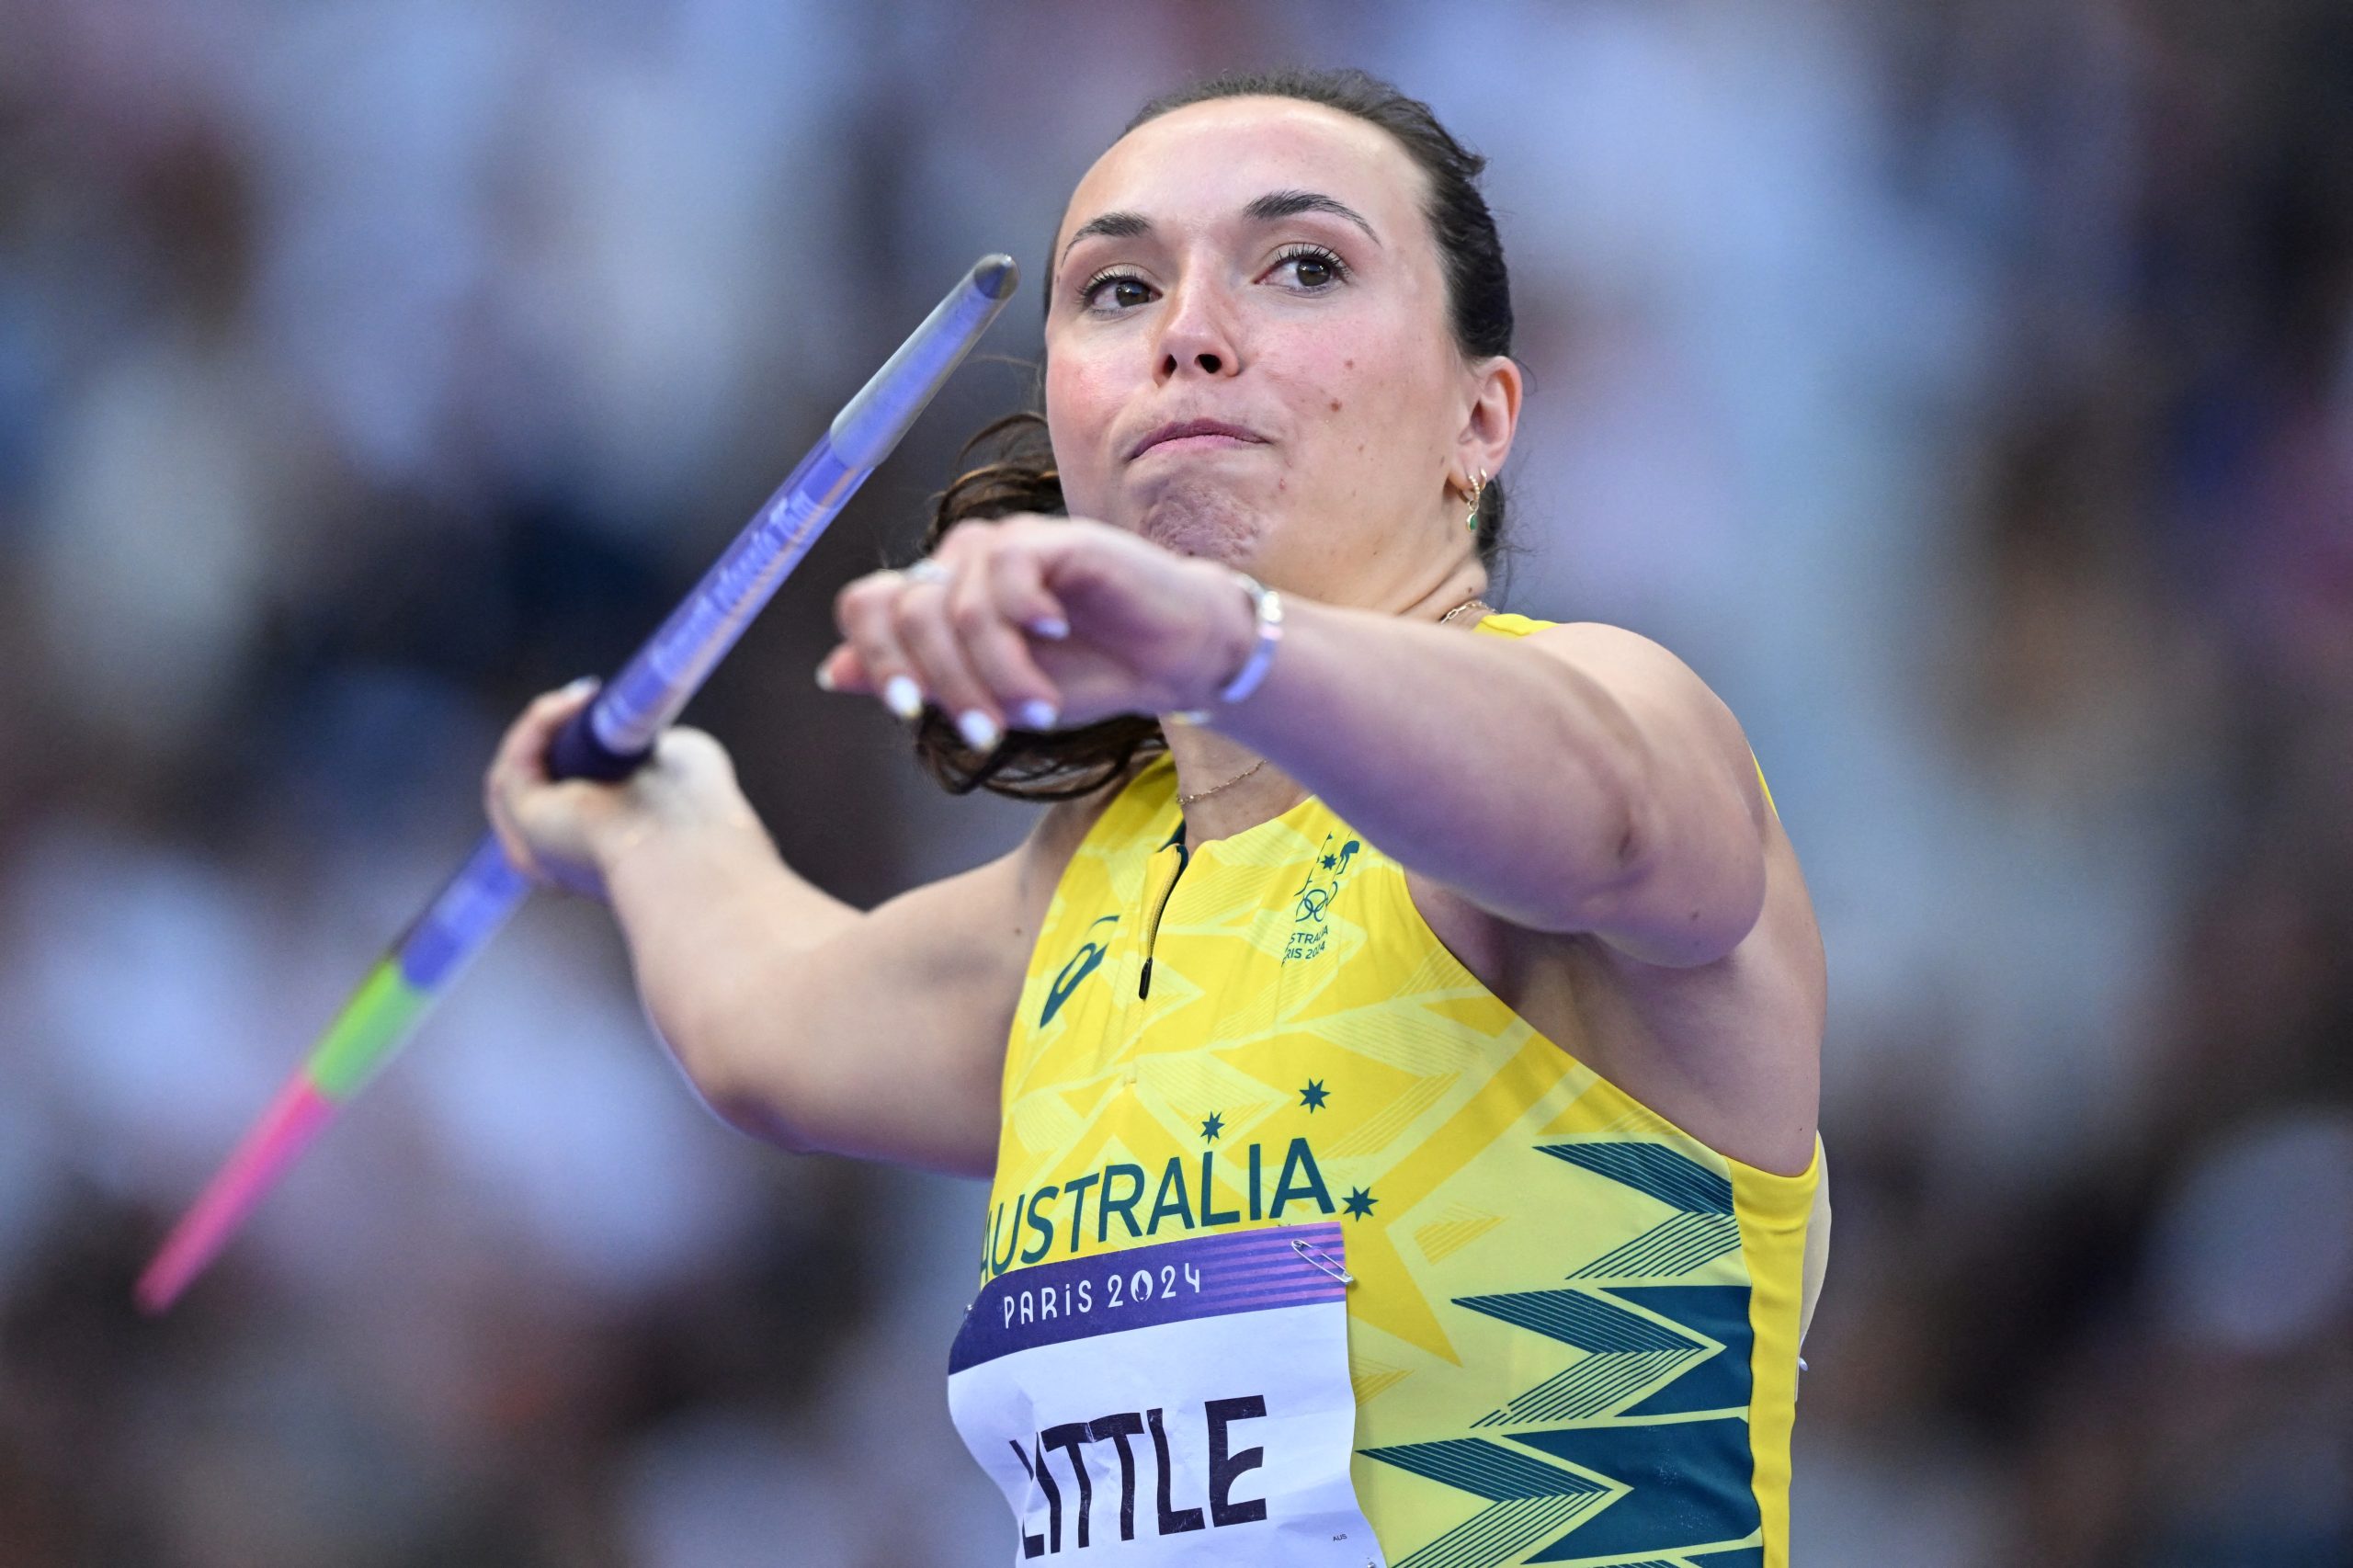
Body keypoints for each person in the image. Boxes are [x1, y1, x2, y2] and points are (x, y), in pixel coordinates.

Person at [487, 66, 1828, 1568]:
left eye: (1304, 265)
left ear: (1481, 418)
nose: (1191, 331)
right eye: (1117, 289)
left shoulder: (1612, 725)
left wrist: (1221, 642)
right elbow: (770, 1025)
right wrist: (649, 813)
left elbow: (1619, 817)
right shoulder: (1084, 900)